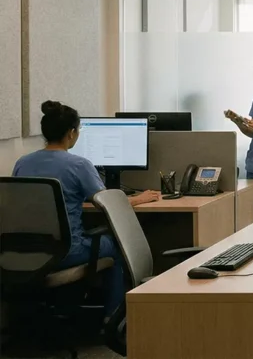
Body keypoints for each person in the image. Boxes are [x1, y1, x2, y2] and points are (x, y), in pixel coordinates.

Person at [12, 101, 160, 322]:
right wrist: (140, 198)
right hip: (66, 251)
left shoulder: (22, 163)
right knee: (117, 246)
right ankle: (114, 321)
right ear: (71, 133)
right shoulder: (79, 164)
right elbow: (108, 204)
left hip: (22, 252)